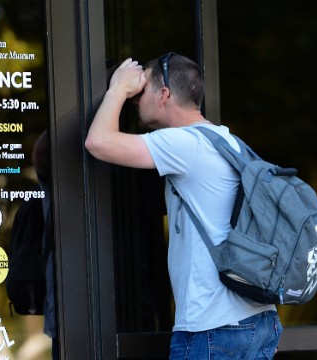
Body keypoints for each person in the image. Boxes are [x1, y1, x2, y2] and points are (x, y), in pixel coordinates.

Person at [85, 53, 282, 359]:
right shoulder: (231, 143)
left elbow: (98, 142)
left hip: (213, 329)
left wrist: (117, 90)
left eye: (141, 91)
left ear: (163, 95)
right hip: (257, 319)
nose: (136, 100)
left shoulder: (185, 143)